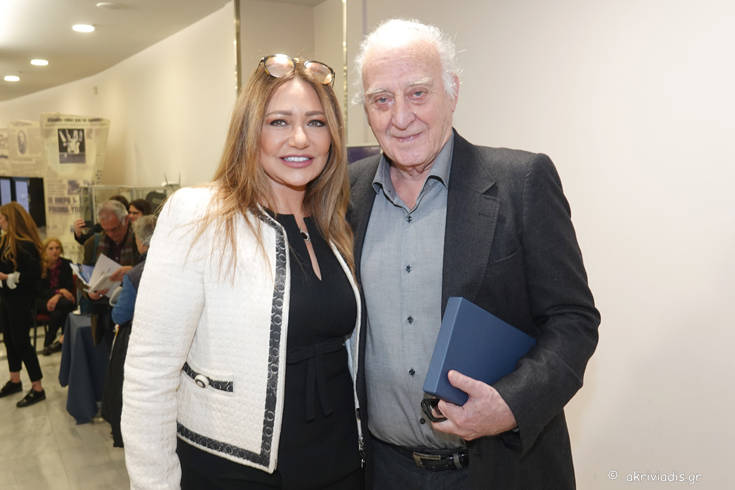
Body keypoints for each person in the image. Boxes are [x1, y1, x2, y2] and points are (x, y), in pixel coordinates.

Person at [348, 19, 600, 490]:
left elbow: (573, 321)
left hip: (499, 470)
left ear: (452, 92)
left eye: (418, 93)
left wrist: (510, 404)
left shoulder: (521, 183)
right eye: (381, 99)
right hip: (383, 472)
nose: (400, 117)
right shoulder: (346, 195)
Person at [122, 54, 363, 490]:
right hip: (234, 470)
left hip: (340, 461)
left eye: (316, 122)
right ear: (249, 130)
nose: (300, 139)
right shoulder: (200, 216)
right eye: (278, 122)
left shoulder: (336, 222)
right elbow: (150, 371)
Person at [102, 214, 157, 448]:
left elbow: (120, 315)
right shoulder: (177, 267)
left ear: (141, 242)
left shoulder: (135, 276)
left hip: (138, 341)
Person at [0, 202, 46, 407]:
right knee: (9, 339)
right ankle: (15, 379)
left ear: (10, 219)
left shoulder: (25, 244)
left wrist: (8, 277)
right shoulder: (4, 241)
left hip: (21, 300)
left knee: (21, 341)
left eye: (1, 217)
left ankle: (38, 387)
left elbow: (33, 275)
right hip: (6, 298)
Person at [83, 199, 141, 351]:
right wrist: (90, 293)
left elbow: (152, 272)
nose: (111, 234)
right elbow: (84, 278)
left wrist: (132, 271)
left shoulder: (140, 242)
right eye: (106, 230)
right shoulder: (93, 244)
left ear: (126, 220)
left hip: (133, 315)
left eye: (115, 229)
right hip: (104, 316)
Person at [38, 238, 76, 356]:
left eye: (57, 248)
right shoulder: (39, 265)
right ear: (45, 251)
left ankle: (49, 342)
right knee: (67, 305)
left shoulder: (66, 264)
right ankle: (62, 341)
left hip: (61, 300)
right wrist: (60, 292)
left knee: (58, 313)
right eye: (51, 248)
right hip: (43, 300)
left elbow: (69, 286)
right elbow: (40, 291)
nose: (55, 251)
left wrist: (58, 295)